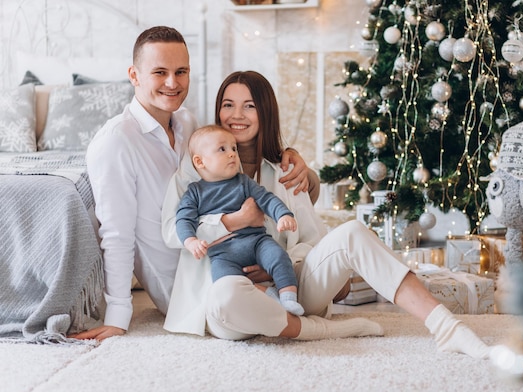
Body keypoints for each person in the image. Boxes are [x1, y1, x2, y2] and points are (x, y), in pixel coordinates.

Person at [161, 70, 493, 359]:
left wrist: (280, 266)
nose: (237, 115)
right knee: (225, 296)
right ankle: (318, 331)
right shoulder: (194, 170)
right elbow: (172, 231)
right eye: (228, 104)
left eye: (249, 105)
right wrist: (232, 222)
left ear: (265, 112)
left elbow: (313, 241)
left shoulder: (286, 172)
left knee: (351, 232)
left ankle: (446, 327)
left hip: (288, 291)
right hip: (231, 300)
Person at [72, 27, 313, 342]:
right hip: (187, 292)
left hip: (231, 260)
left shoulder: (186, 123)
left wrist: (290, 157)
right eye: (160, 72)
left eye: (181, 71)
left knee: (302, 267)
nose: (172, 83)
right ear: (134, 75)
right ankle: (315, 328)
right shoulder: (115, 143)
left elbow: (232, 166)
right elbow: (117, 235)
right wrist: (118, 315)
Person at [176, 124, 304, 315]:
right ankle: (269, 295)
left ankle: (288, 298)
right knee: (226, 284)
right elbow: (183, 219)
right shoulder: (195, 192)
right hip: (223, 254)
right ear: (200, 161)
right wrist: (191, 241)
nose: (232, 154)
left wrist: (283, 215)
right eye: (222, 149)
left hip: (257, 242)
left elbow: (267, 199)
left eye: (234, 148)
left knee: (278, 256)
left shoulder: (244, 182)